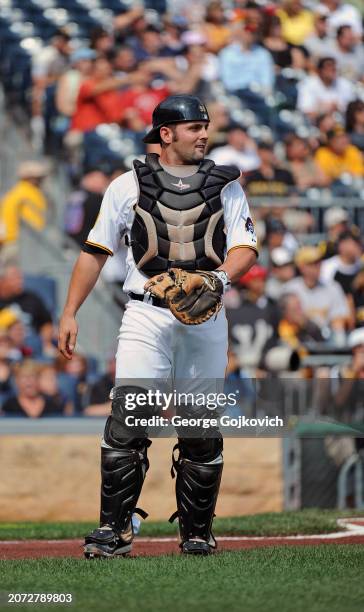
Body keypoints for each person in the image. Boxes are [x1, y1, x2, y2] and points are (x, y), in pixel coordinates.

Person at [58, 94, 257, 558]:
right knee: (130, 418)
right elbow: (94, 253)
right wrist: (69, 313)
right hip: (146, 311)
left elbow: (246, 247)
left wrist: (216, 277)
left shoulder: (226, 185)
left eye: (205, 126)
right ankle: (115, 529)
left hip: (206, 315)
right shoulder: (126, 186)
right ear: (165, 134)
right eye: (193, 127)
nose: (203, 134)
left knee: (199, 425)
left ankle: (197, 533)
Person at [0, 160, 50, 264]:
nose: (40, 180)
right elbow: (34, 222)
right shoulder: (25, 192)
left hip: (19, 242)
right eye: (37, 177)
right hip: (20, 244)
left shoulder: (21, 191)